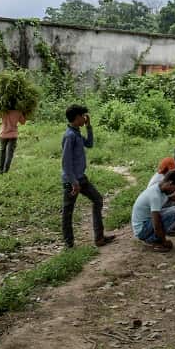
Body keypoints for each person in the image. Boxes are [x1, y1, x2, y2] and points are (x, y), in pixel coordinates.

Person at [60, 104, 116, 249]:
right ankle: (69, 244)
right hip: (72, 181)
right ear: (77, 117)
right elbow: (66, 163)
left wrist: (89, 127)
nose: (85, 118)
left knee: (97, 200)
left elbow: (89, 144)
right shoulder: (69, 136)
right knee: (68, 211)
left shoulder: (77, 132)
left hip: (81, 178)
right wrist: (74, 182)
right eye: (83, 116)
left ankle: (99, 237)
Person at [0, 108, 26, 173]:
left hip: (3, 134)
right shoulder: (18, 112)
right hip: (13, 135)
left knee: (2, 151)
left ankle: (0, 169)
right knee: (9, 153)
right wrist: (24, 114)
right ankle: (6, 170)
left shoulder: (3, 111)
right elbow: (23, 122)